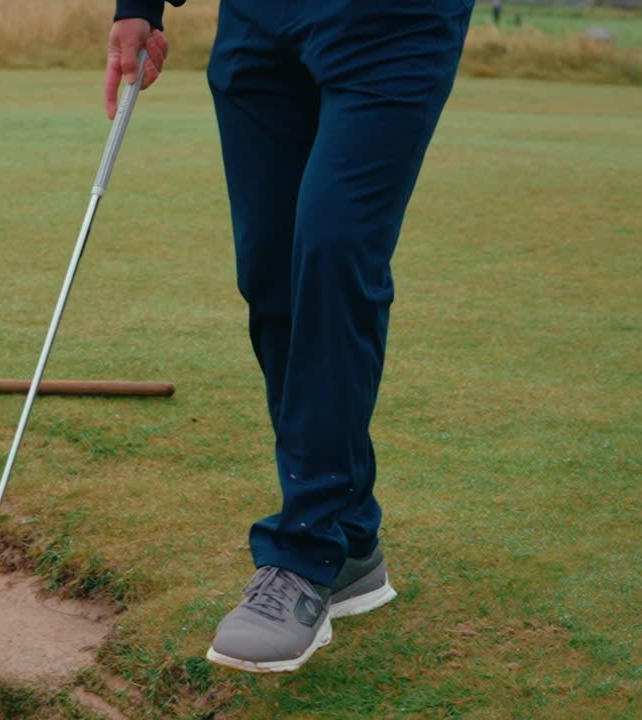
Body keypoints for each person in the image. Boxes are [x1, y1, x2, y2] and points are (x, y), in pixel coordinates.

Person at [105, 0, 474, 672]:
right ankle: (352, 539)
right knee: (271, 273)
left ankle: (304, 553)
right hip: (260, 18)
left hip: (394, 23)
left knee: (333, 256)